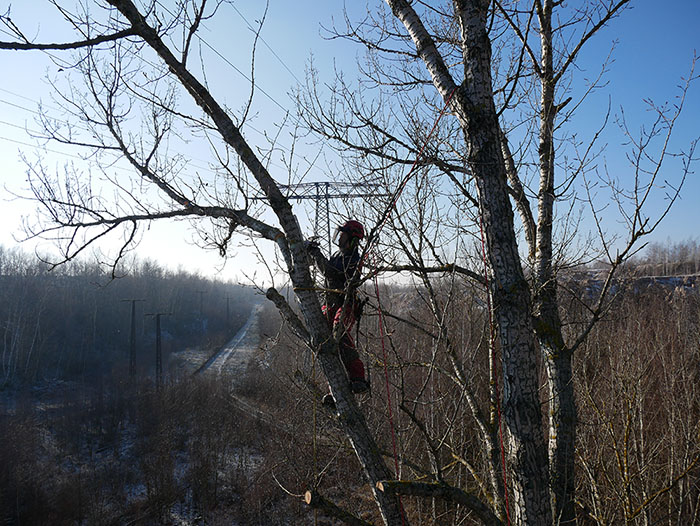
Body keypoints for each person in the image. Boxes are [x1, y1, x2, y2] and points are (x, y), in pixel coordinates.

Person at [306, 220, 370, 403]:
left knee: (339, 331)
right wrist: (309, 252)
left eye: (343, 235)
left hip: (346, 305)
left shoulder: (353, 260)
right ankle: (335, 391)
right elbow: (325, 268)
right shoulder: (337, 255)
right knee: (324, 342)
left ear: (352, 239)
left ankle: (357, 377)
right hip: (329, 304)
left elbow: (329, 271)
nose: (339, 237)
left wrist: (316, 253)